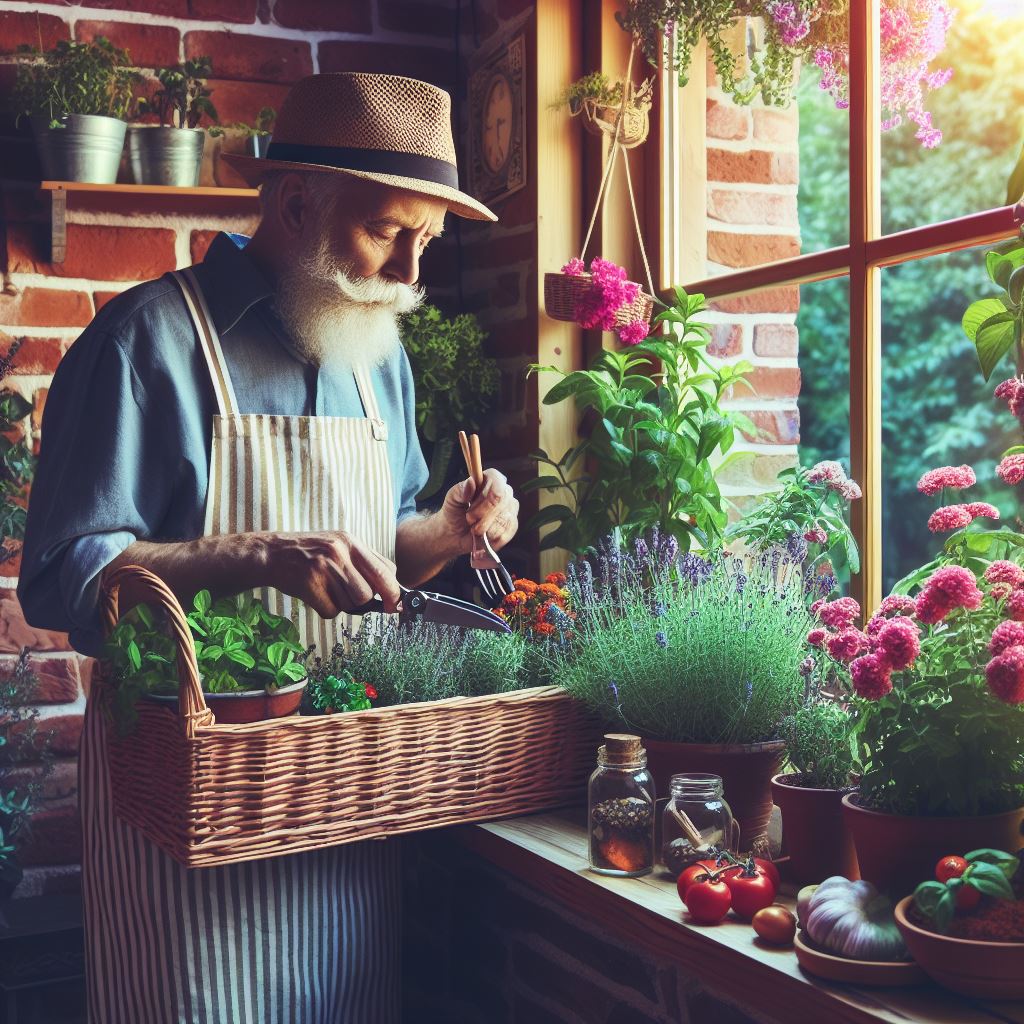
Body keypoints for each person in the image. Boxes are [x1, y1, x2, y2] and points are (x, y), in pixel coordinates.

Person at [17, 72, 519, 1024]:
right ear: (296, 202)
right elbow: (62, 580)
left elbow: (382, 551)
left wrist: (449, 531)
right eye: (390, 232)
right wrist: (260, 555)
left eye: (429, 241)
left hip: (340, 802)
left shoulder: (380, 356)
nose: (413, 272)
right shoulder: (146, 341)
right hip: (186, 812)